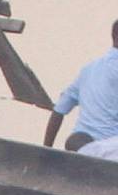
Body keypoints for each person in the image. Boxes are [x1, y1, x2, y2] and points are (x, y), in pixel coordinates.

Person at [44, 21, 118, 153]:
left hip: (81, 144)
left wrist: (45, 151)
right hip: (110, 150)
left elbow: (59, 111)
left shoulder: (89, 69)